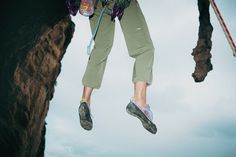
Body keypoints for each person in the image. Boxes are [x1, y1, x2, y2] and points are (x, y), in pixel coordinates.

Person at [78, 0, 157, 134]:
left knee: (101, 48)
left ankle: (85, 100)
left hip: (94, 3)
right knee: (145, 48)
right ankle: (140, 101)